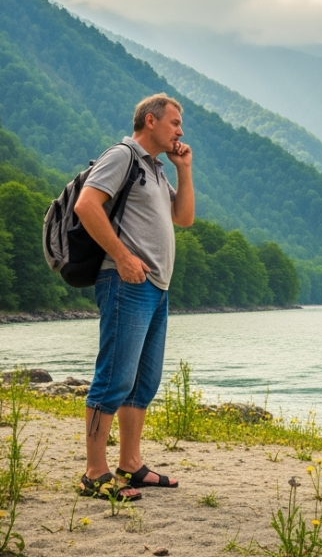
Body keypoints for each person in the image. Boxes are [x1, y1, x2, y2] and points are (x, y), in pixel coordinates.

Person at [74, 93, 195, 501]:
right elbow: (86, 205)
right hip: (126, 283)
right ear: (150, 120)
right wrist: (123, 257)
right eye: (175, 122)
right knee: (114, 378)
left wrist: (184, 170)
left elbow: (185, 219)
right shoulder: (123, 155)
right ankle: (94, 472)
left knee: (143, 382)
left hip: (156, 288)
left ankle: (129, 464)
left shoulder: (157, 169)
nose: (180, 130)